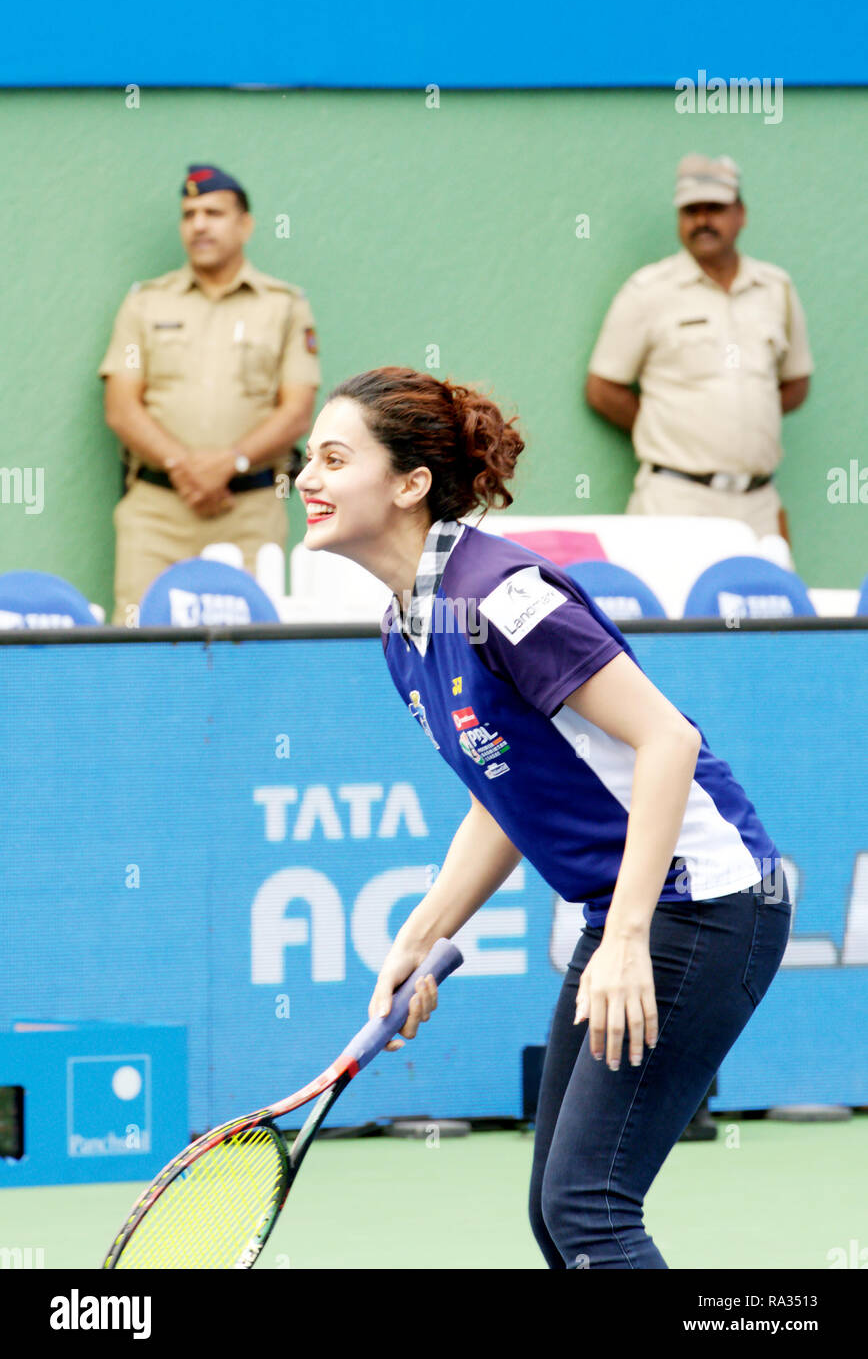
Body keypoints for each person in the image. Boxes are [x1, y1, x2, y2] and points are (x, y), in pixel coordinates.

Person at [294, 366, 792, 1269]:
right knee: (558, 1214)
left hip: (705, 904)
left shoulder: (503, 597)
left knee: (589, 1211)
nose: (306, 480)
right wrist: (423, 930)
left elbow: (667, 743)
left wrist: (629, 937)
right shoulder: (405, 628)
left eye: (334, 458)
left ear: (409, 484)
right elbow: (504, 795)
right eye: (306, 460)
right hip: (634, 912)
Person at [99, 163, 321, 624]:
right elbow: (121, 407)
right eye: (189, 213)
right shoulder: (146, 302)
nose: (198, 224)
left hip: (248, 511)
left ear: (245, 225)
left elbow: (297, 412)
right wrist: (184, 467)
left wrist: (229, 463)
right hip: (157, 512)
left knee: (251, 646)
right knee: (136, 638)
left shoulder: (283, 306)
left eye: (213, 213)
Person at [585, 154, 813, 546]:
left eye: (716, 209)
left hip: (758, 504)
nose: (703, 220)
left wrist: (745, 415)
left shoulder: (776, 288)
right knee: (673, 608)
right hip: (674, 499)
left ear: (740, 214)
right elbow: (603, 389)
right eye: (691, 211)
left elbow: (796, 382)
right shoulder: (649, 290)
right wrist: (667, 425)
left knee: (771, 606)